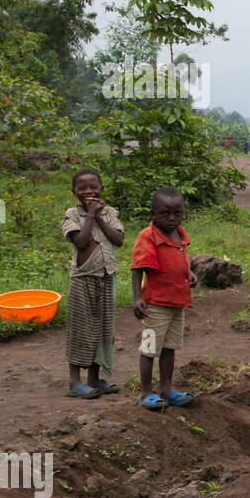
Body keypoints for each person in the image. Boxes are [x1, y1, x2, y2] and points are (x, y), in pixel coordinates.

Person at [131, 186, 198, 410]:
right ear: (153, 213)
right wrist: (137, 298)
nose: (172, 218)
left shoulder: (179, 234)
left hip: (178, 303)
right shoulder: (148, 236)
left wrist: (188, 274)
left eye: (177, 214)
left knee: (170, 348)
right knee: (149, 349)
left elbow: (179, 259)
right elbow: (138, 267)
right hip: (155, 305)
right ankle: (146, 392)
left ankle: (167, 390)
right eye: (165, 214)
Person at [62, 169, 125, 399]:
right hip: (83, 280)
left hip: (107, 277)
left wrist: (99, 216)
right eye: (82, 188)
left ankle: (94, 378)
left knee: (102, 329)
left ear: (102, 189)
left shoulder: (109, 213)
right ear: (74, 192)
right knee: (81, 329)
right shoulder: (72, 215)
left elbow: (118, 240)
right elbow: (80, 242)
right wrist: (89, 216)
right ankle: (74, 382)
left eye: (93, 187)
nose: (88, 191)